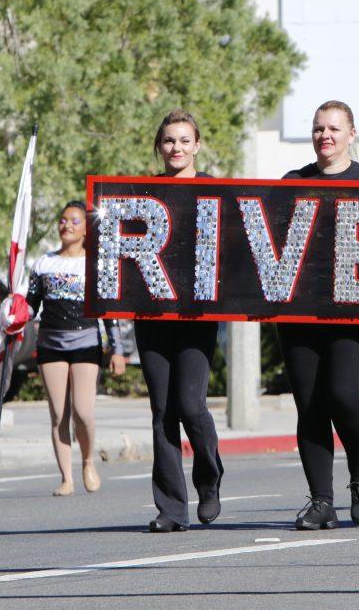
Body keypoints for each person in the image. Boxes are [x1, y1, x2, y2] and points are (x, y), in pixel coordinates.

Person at [279, 100, 359, 530]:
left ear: (351, 134)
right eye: (319, 128)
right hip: (300, 313)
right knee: (310, 405)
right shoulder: (293, 181)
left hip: (355, 311)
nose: (325, 135)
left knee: (344, 396)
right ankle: (320, 500)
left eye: (334, 129)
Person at [137, 109, 223, 532]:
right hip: (152, 316)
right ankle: (171, 508)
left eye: (184, 140)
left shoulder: (213, 192)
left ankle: (209, 479)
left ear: (197, 145)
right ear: (160, 146)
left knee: (190, 405)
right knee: (161, 411)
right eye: (169, 141)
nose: (176, 148)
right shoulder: (144, 193)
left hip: (195, 317)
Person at [8, 201, 129, 496]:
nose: (67, 226)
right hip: (51, 343)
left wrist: (117, 348)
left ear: (86, 229)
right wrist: (12, 316)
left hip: (86, 341)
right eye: (63, 220)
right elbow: (31, 306)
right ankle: (66, 477)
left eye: (74, 221)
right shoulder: (44, 264)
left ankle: (88, 461)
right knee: (59, 414)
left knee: (83, 411)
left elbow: (107, 311)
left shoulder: (96, 264)